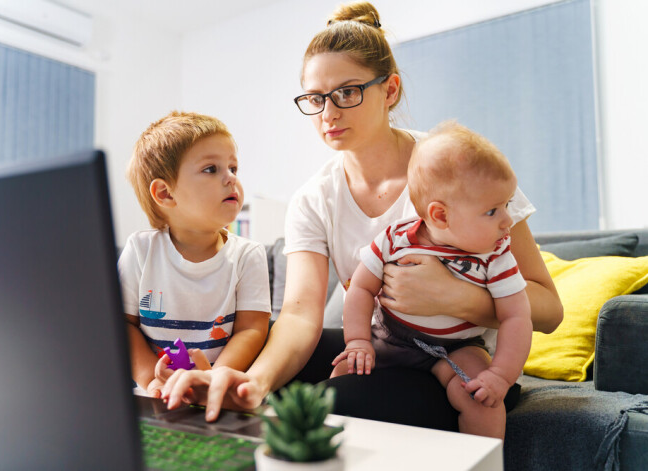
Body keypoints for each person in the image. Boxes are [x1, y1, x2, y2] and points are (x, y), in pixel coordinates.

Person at [161, 1, 562, 429]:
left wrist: (454, 297)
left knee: (330, 403)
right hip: (381, 345)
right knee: (259, 354)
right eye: (316, 98)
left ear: (389, 90)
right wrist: (254, 382)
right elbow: (299, 316)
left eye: (347, 92)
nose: (328, 113)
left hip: (456, 356)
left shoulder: (462, 171)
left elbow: (549, 310)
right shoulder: (313, 198)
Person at [330, 121, 532, 439]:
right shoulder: (395, 238)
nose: (508, 221)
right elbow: (361, 287)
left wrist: (500, 376)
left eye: (506, 205)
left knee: (482, 401)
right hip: (389, 339)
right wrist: (358, 340)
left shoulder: (496, 254)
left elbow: (517, 316)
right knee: (343, 373)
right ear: (440, 215)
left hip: (457, 349)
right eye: (493, 211)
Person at [119, 111, 271, 398]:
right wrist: (151, 380)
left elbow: (251, 330)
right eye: (211, 169)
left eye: (233, 168)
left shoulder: (248, 255)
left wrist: (213, 379)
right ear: (165, 193)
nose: (230, 179)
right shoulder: (140, 250)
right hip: (154, 393)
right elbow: (123, 327)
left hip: (219, 393)